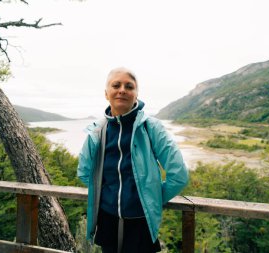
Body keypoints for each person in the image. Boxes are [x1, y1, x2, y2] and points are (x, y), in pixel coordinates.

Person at [77, 67, 189, 253]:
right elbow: (84, 172)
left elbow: (179, 175)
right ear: (107, 94)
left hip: (141, 223)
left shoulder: (151, 127)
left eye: (129, 86)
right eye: (116, 85)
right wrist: (105, 196)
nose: (122, 89)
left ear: (136, 95)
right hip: (107, 219)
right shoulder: (97, 131)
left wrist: (151, 197)